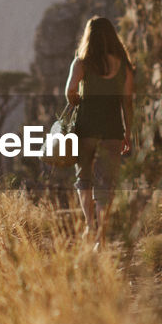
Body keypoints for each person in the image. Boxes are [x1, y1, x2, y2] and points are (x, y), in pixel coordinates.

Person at [64, 16, 134, 248]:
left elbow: (70, 91)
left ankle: (89, 225)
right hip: (113, 130)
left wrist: (79, 98)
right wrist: (128, 133)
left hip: (86, 129)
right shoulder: (124, 66)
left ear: (89, 36)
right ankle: (101, 237)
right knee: (106, 184)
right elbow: (128, 104)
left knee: (84, 179)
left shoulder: (81, 63)